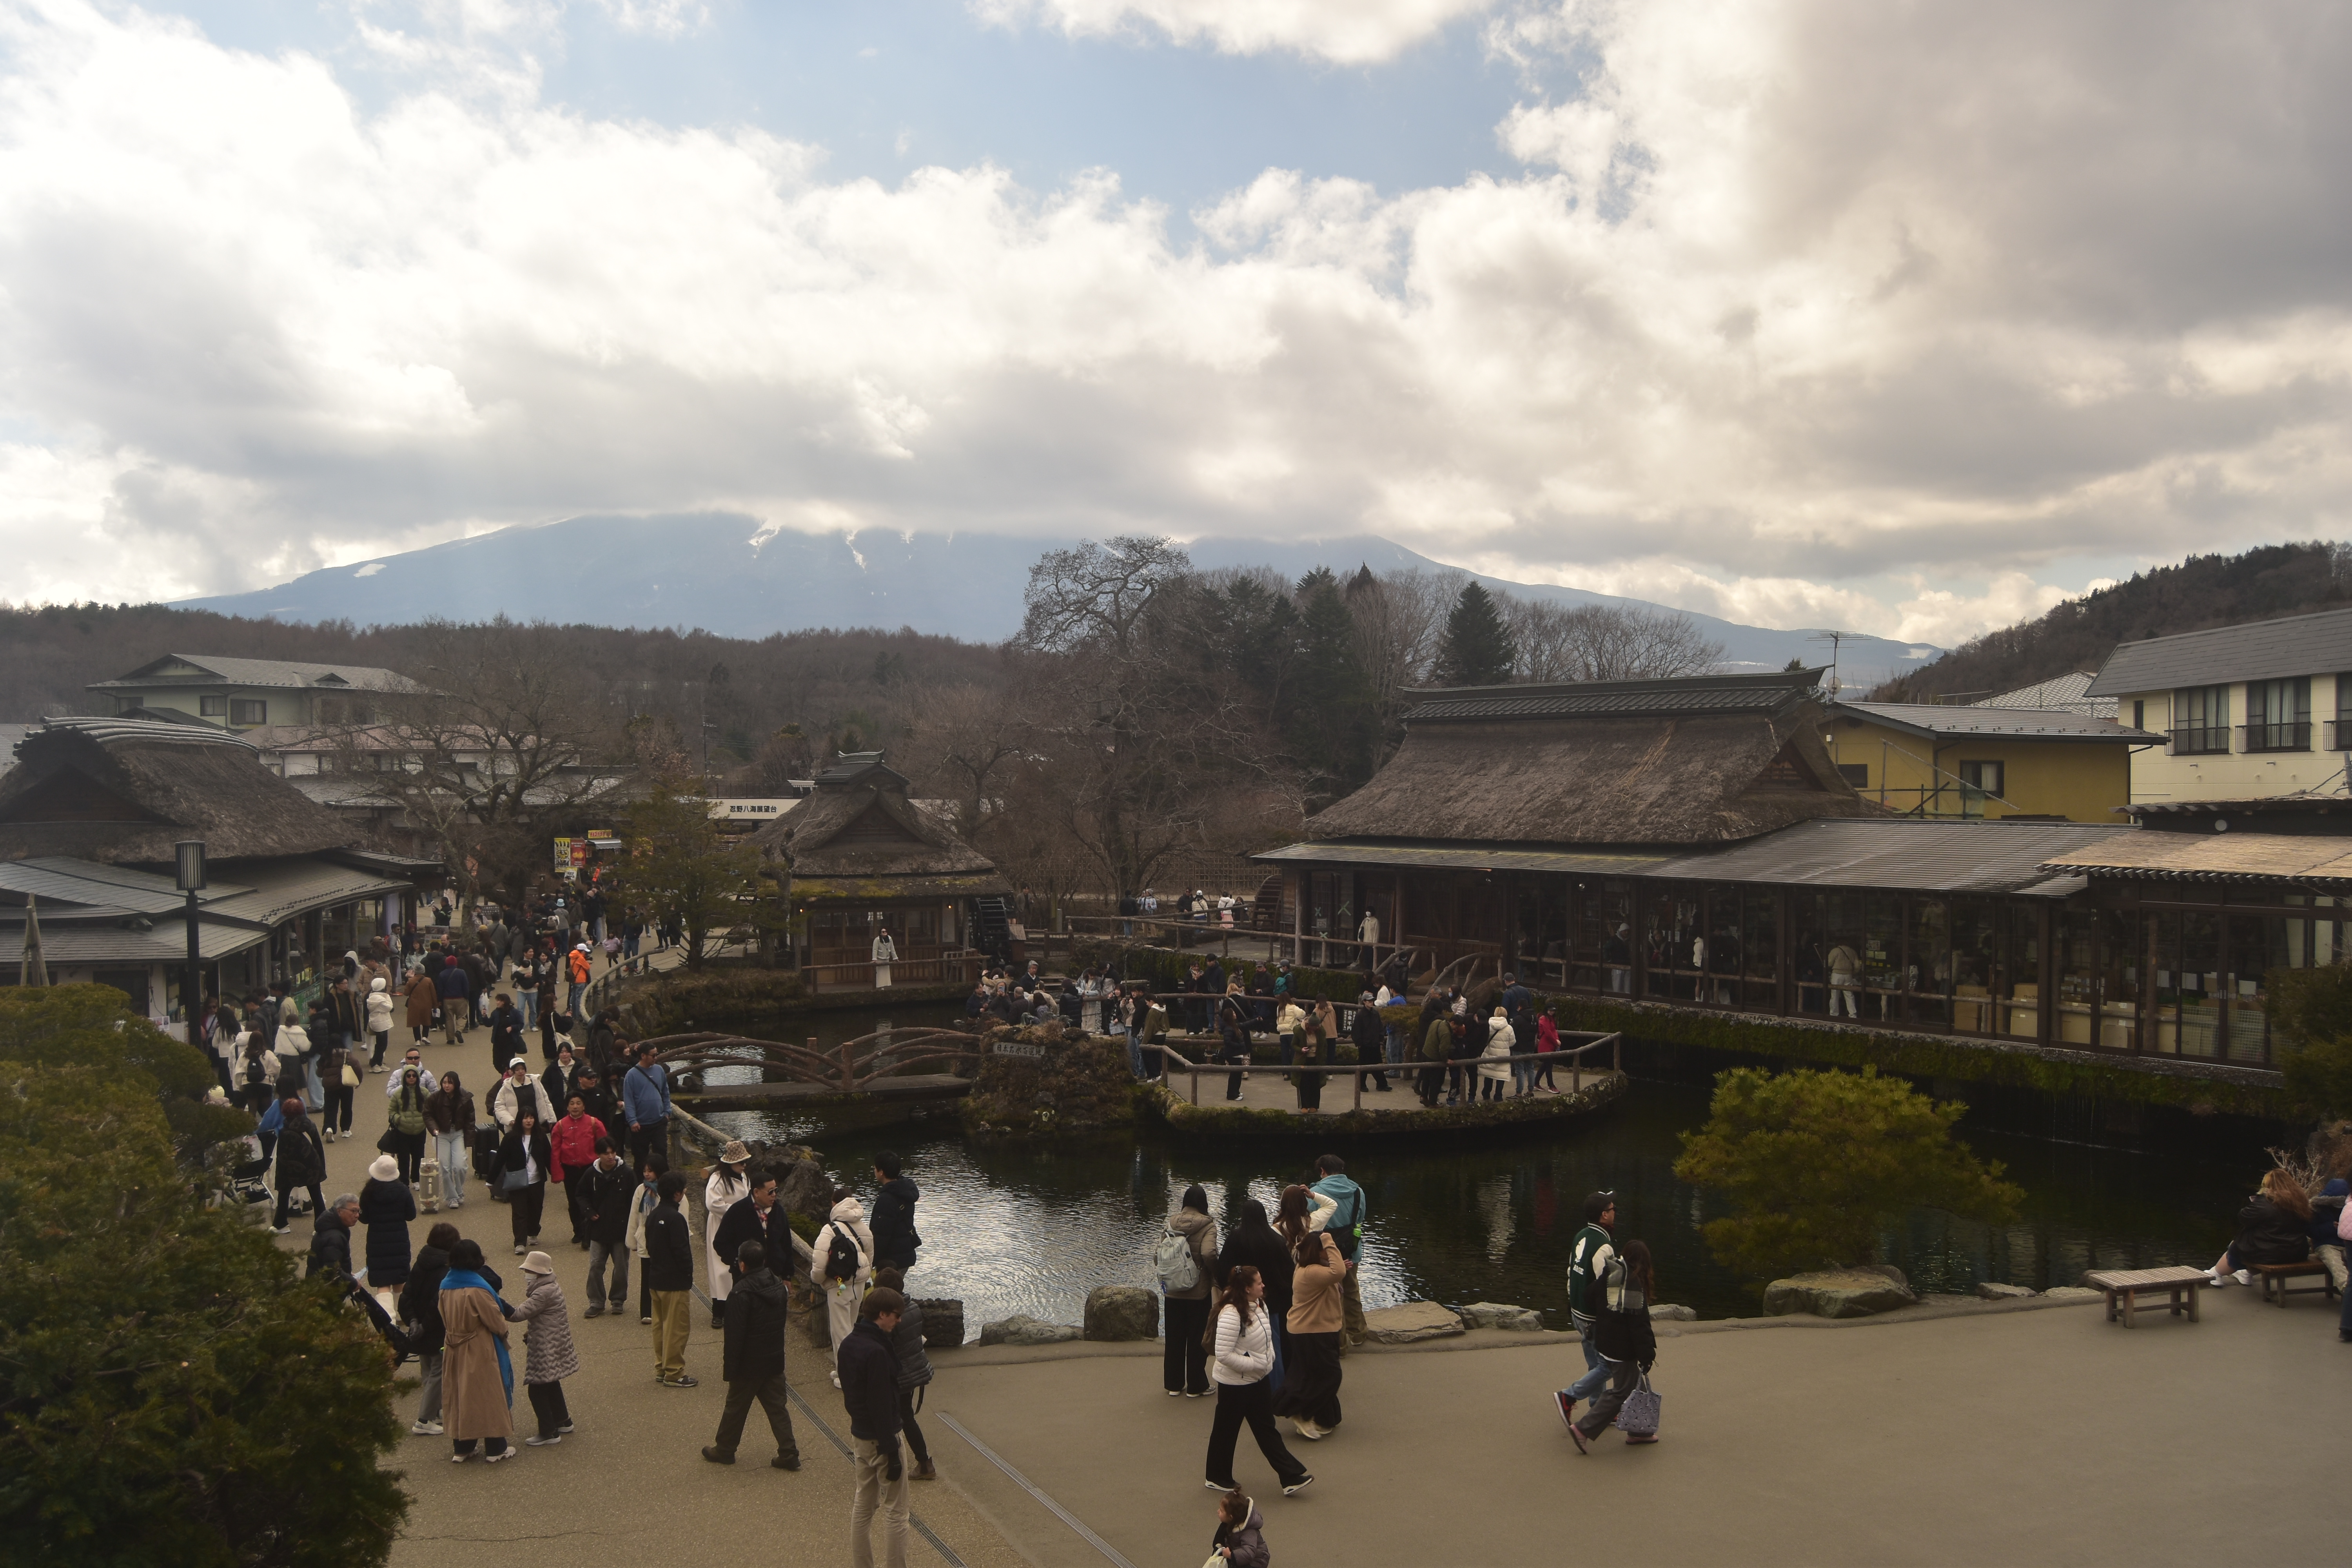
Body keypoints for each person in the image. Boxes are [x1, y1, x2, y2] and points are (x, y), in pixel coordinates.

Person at [1204, 1265, 1310, 1497]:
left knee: (1266, 1429)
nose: (1263, 1285)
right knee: (1226, 1432)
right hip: (1235, 1385)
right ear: (1247, 1288)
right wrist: (1256, 1364)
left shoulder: (1260, 1304)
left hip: (1257, 1380)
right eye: (1259, 1283)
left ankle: (1290, 1477)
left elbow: (1267, 1337)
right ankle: (1217, 1477)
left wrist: (1268, 1358)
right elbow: (1223, 1354)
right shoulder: (1231, 1314)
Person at [703, 1239, 801, 1469]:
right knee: (777, 1408)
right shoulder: (777, 1285)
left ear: (743, 1264)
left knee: (736, 1408)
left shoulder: (741, 1293)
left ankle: (725, 1449)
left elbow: (734, 1337)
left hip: (749, 1364)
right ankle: (789, 1452)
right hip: (773, 1359)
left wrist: (730, 1370)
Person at [840, 1285, 913, 1568]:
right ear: (882, 1314)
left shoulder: (849, 1344)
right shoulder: (878, 1352)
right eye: (896, 1315)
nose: (899, 1320)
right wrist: (891, 1451)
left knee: (864, 1506)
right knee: (897, 1512)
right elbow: (881, 1404)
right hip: (883, 1437)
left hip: (860, 1435)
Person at [1567, 1239, 1659, 1452]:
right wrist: (1647, 1356)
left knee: (1637, 1388)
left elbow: (1589, 1295)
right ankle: (1583, 1429)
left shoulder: (1611, 1274)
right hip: (1622, 1351)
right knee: (1621, 1392)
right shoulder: (1634, 1286)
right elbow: (1640, 1327)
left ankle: (1640, 1431)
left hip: (1605, 1344)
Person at [440, 1238, 517, 1463]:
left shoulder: (445, 1286)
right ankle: (496, 1449)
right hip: (479, 1347)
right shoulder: (478, 1289)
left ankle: (462, 1448)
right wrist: (503, 1331)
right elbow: (495, 1320)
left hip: (454, 1346)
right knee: (488, 1397)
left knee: (461, 1397)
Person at [1555, 1191, 1617, 1428]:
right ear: (1604, 1215)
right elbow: (1606, 1285)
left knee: (1595, 1363)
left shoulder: (1580, 1236)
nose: (1615, 1213)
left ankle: (1599, 1408)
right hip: (1593, 1317)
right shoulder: (1604, 1246)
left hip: (1577, 1310)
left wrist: (1572, 1301)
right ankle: (1569, 1396)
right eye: (1613, 1209)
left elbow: (1571, 1271)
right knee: (1609, 1365)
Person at [1218, 1199, 1298, 1385]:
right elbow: (1289, 1273)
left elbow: (1222, 1269)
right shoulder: (1276, 1240)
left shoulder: (1235, 1238)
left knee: (1240, 1345)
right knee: (1272, 1346)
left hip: (1240, 1302)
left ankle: (1247, 1382)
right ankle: (1276, 1388)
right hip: (1272, 1304)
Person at [872, 1266, 936, 1481]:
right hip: (914, 1369)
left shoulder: (891, 1317)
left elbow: (883, 1347)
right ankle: (923, 1463)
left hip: (898, 1375)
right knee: (905, 1416)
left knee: (899, 1418)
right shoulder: (913, 1307)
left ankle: (920, 1462)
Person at [512, 1250, 579, 1446]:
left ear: (538, 1273)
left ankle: (549, 1432)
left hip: (546, 1345)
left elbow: (517, 1314)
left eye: (528, 1271)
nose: (526, 1275)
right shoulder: (551, 1287)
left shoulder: (543, 1292)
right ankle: (563, 1420)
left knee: (537, 1388)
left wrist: (495, 1302)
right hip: (555, 1342)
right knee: (551, 1382)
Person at [813, 1190, 877, 1388]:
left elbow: (819, 1263)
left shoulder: (829, 1230)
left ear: (835, 1204)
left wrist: (819, 1281)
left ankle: (847, 1376)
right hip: (858, 1284)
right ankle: (845, 1369)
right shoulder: (864, 1228)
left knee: (840, 1333)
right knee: (852, 1328)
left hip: (838, 1285)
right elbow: (870, 1257)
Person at [401, 1221, 460, 1436]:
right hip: (436, 1330)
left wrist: (413, 1322)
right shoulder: (447, 1271)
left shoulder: (420, 1263)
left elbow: (407, 1296)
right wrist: (425, 1326)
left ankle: (435, 1410)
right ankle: (425, 1419)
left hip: (418, 1328)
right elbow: (438, 1304)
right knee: (439, 1373)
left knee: (427, 1370)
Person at [2207, 1169, 2315, 1285]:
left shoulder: (2266, 1201)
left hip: (2269, 1255)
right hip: (2297, 1253)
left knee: (2237, 1246)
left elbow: (2243, 1217)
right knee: (2261, 1237)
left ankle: (2215, 1274)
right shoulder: (2301, 1202)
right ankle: (2246, 1274)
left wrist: (2257, 1200)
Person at [1162, 1184, 1220, 1397]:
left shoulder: (1171, 1223)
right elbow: (1209, 1253)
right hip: (1198, 1292)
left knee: (1174, 1338)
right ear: (1204, 1203)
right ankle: (1197, 1386)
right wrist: (1215, 1273)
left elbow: (1159, 1253)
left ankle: (1174, 1385)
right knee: (1197, 1339)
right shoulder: (1208, 1225)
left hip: (1173, 1290)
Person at [1311, 1154, 1370, 1347]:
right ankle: (1358, 1333)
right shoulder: (1358, 1192)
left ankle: (1340, 1344)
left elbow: (1310, 1223)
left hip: (1327, 1254)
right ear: (1342, 1170)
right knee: (1352, 1290)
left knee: (1333, 1296)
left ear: (1322, 1171)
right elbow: (1360, 1219)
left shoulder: (1315, 1193)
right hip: (1352, 1249)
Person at [646, 1169, 698, 1387]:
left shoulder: (654, 1215)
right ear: (678, 1193)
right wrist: (688, 1274)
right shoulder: (676, 1218)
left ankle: (662, 1366)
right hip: (675, 1282)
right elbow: (682, 1251)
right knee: (677, 1328)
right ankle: (675, 1372)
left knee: (660, 1327)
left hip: (656, 1278)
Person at [581, 1139, 635, 1318]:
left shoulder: (627, 1173)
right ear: (599, 1155)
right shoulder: (591, 1174)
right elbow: (581, 1195)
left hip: (620, 1229)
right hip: (598, 1229)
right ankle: (596, 1302)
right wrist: (589, 1212)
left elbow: (635, 1199)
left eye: (613, 1152)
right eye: (606, 1154)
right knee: (596, 1266)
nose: (610, 1157)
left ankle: (618, 1300)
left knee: (621, 1267)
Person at [493, 1109, 552, 1257]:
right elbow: (500, 1159)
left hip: (537, 1181)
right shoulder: (511, 1138)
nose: (529, 1121)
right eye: (526, 1118)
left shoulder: (541, 1137)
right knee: (519, 1212)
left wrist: (556, 1174)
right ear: (520, 1120)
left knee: (536, 1209)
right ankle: (520, 1242)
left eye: (532, 1118)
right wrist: (491, 1180)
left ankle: (533, 1232)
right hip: (517, 1181)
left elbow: (548, 1157)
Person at [550, 1093, 603, 1248]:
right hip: (570, 1170)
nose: (575, 1107)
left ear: (584, 1106)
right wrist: (557, 1173)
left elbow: (604, 1146)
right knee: (573, 1202)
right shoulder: (560, 1126)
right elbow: (555, 1152)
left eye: (578, 1103)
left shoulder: (595, 1123)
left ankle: (588, 1233)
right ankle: (578, 1231)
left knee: (590, 1200)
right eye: (572, 1103)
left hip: (590, 1169)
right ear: (567, 1107)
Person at [360, 1153, 418, 1290]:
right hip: (399, 1241)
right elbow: (411, 1216)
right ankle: (400, 1304)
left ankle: (384, 1305)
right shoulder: (403, 1191)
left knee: (382, 1283)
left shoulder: (369, 1192)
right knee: (400, 1281)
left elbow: (363, 1218)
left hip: (377, 1242)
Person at [626, 1150, 669, 1325]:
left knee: (664, 1276)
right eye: (645, 1171)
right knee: (647, 1276)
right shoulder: (641, 1190)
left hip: (664, 1239)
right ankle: (646, 1311)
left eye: (650, 1171)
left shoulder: (668, 1189)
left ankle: (664, 1309)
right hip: (645, 1238)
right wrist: (632, 1241)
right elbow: (634, 1216)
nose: (647, 1174)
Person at [272, 1098, 327, 1235]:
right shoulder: (310, 1125)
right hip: (312, 1166)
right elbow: (318, 1147)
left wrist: (280, 1177)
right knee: (316, 1195)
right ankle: (322, 1226)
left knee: (284, 1194)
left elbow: (282, 1157)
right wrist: (321, 1167)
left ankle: (281, 1224)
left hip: (292, 1169)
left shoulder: (285, 1131)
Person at [425, 1069, 477, 1209]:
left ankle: (459, 1192)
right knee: (445, 1167)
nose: (447, 1086)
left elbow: (470, 1119)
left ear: (456, 1084)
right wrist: (434, 1129)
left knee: (460, 1166)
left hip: (458, 1133)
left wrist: (469, 1140)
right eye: (444, 1082)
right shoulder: (435, 1098)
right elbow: (427, 1114)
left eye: (450, 1083)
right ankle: (452, 1198)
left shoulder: (465, 1098)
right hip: (441, 1135)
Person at [870, 1151, 921, 1274]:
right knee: (897, 1284)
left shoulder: (886, 1200)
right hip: (905, 1255)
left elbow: (881, 1236)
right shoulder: (905, 1190)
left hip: (890, 1261)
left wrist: (871, 1262)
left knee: (885, 1287)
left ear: (881, 1172)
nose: (874, 1170)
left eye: (875, 1168)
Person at [622, 1045, 671, 1168]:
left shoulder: (659, 1070)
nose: (656, 1058)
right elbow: (629, 1100)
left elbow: (665, 1093)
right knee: (640, 1158)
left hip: (659, 1121)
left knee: (661, 1154)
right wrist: (632, 1120)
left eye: (657, 1055)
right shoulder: (631, 1075)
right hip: (640, 1125)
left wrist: (667, 1112)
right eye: (653, 1055)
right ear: (643, 1056)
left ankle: (662, 1178)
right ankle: (640, 1179)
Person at [386, 1067, 430, 1182]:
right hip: (403, 1132)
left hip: (420, 1131)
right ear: (404, 1078)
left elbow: (431, 1108)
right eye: (409, 1076)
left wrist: (425, 1120)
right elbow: (392, 1111)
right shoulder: (398, 1094)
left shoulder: (425, 1093)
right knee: (403, 1159)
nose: (411, 1078)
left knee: (419, 1157)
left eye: (414, 1076)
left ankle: (416, 1180)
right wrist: (398, 1119)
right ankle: (404, 1182)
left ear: (418, 1078)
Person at [1210, 1488, 1269, 1568]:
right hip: (1238, 1551)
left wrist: (1230, 1555)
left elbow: (1249, 1553)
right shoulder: (1228, 1524)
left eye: (1221, 1511)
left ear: (1231, 1517)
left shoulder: (1249, 1532)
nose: (1218, 1511)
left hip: (1256, 1560)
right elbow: (1220, 1538)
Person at [307, 1191, 360, 1279]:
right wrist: (353, 1283)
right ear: (339, 1211)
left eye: (358, 1211)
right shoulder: (334, 1238)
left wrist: (347, 1275)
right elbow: (332, 1271)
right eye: (353, 1211)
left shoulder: (333, 1227)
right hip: (324, 1286)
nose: (357, 1215)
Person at [1352, 993, 1390, 1093]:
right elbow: (1356, 1030)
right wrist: (1359, 1042)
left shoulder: (1376, 1013)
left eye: (1372, 1001)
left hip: (1375, 1044)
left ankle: (1382, 1084)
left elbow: (1380, 1027)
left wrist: (1380, 1037)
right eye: (1369, 1001)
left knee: (1378, 1065)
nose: (1371, 1003)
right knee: (1363, 1066)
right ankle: (1362, 1085)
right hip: (1365, 1045)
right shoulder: (1360, 1015)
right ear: (1364, 1002)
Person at [1478, 1006, 1516, 1102]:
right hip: (1503, 1056)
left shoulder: (1488, 1025)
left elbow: (1484, 1039)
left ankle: (1486, 1094)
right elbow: (1512, 1043)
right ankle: (1498, 1096)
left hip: (1490, 1054)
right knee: (1501, 1076)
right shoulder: (1509, 1028)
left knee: (1489, 1074)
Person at [435, 953, 472, 1046]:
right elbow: (466, 986)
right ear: (456, 963)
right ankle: (459, 1031)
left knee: (449, 1019)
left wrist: (440, 1000)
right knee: (462, 1016)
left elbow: (440, 989)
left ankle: (451, 1039)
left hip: (447, 999)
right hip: (460, 998)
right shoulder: (461, 972)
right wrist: (466, 997)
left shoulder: (442, 974)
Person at [487, 992, 526, 1075]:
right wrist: (484, 1017)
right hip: (498, 1042)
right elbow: (489, 1024)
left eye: (498, 1001)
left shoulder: (514, 1012)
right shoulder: (496, 1013)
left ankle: (507, 1078)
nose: (497, 1003)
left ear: (503, 1002)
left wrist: (512, 1028)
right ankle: (506, 1075)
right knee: (497, 1063)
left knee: (508, 1063)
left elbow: (521, 1024)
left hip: (510, 1043)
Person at [1826, 938, 1862, 1018]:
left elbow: (1829, 963)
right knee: (1849, 995)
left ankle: (1834, 1014)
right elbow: (1857, 966)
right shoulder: (1852, 951)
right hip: (1848, 975)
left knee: (1835, 995)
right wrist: (1853, 973)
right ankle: (1853, 1015)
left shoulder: (1835, 951)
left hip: (1837, 974)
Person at [1532, 1009, 1561, 1093]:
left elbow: (1554, 1031)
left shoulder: (1551, 1019)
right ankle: (1551, 1086)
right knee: (1549, 1065)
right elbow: (1548, 1033)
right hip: (1544, 1046)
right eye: (1550, 1010)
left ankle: (1536, 1083)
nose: (1552, 1012)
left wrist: (1557, 1039)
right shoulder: (1544, 1019)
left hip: (1550, 1045)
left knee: (1545, 1065)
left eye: (1553, 1011)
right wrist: (1556, 1042)